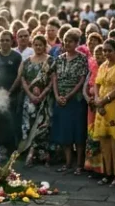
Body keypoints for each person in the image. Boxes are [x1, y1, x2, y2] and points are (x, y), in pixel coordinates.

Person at [90, 40, 115, 185]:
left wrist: (104, 100)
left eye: (109, 51)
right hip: (101, 107)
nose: (106, 53)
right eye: (104, 51)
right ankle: (107, 173)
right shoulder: (103, 66)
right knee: (103, 142)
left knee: (114, 142)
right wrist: (97, 99)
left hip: (114, 106)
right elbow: (97, 84)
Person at [50, 30, 89, 174]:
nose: (67, 44)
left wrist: (69, 95)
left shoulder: (81, 58)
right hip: (60, 99)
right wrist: (57, 95)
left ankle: (79, 164)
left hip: (76, 100)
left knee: (78, 133)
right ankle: (68, 163)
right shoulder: (59, 58)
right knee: (64, 132)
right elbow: (54, 77)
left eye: (71, 41)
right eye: (65, 41)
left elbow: (81, 80)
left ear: (77, 43)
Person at [19, 34, 53, 165]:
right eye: (36, 44)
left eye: (40, 45)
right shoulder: (27, 61)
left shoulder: (50, 60)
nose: (38, 47)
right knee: (28, 126)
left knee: (42, 127)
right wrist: (30, 95)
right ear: (32, 45)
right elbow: (22, 79)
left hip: (45, 100)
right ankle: (29, 153)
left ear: (45, 46)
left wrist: (42, 95)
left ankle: (41, 155)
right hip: (29, 100)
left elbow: (52, 81)